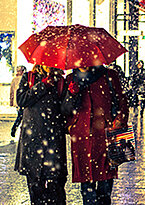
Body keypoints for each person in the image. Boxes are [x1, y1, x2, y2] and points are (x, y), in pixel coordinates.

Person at [62, 65, 129, 205]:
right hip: (81, 137)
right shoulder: (71, 79)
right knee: (87, 186)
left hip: (106, 135)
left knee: (105, 184)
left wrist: (119, 121)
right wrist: (71, 126)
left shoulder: (109, 75)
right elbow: (65, 109)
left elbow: (122, 100)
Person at [14, 64, 68, 205]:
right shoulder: (29, 77)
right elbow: (21, 100)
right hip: (32, 140)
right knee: (35, 186)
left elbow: (66, 110)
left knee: (56, 186)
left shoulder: (60, 81)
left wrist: (72, 95)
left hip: (54, 140)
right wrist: (42, 85)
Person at [10, 65, 27, 137]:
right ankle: (15, 129)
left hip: (17, 101)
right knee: (21, 116)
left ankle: (15, 129)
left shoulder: (15, 80)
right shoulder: (24, 79)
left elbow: (11, 92)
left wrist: (11, 101)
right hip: (22, 101)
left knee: (20, 116)